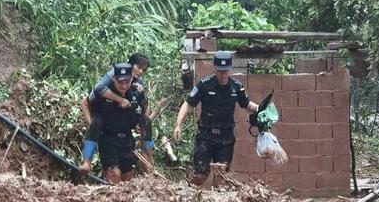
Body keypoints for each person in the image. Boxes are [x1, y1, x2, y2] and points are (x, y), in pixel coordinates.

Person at [173, 51, 259, 185]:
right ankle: (190, 197)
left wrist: (259, 108)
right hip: (206, 136)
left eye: (225, 71)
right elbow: (188, 104)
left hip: (226, 137)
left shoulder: (237, 87)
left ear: (230, 69)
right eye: (220, 71)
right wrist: (178, 125)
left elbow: (246, 104)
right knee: (200, 175)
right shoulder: (204, 85)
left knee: (221, 175)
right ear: (215, 68)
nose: (223, 74)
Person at [79, 53, 154, 173]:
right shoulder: (112, 76)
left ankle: (148, 160)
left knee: (146, 122)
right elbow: (96, 91)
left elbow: (144, 104)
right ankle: (86, 161)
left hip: (126, 119)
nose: (140, 72)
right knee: (96, 123)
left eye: (143, 70)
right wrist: (119, 100)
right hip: (106, 116)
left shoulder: (138, 83)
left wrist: (139, 124)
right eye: (138, 67)